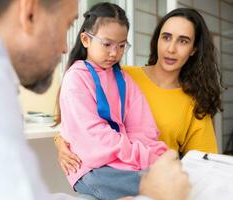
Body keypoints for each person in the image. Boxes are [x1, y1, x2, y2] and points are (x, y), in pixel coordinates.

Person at [0, 0, 190, 200]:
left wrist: (153, 158)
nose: (65, 49)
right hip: (97, 169)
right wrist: (147, 183)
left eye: (121, 46)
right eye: (66, 25)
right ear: (29, 12)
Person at [55, 7, 223, 176]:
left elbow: (204, 167)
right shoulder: (121, 76)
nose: (171, 48)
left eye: (183, 41)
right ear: (157, 40)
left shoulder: (195, 104)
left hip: (156, 182)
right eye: (166, 37)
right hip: (110, 175)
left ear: (194, 49)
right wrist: (61, 142)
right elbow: (80, 118)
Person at [58, 3, 167, 199]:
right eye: (107, 44)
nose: (114, 53)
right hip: (92, 168)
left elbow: (144, 127)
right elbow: (92, 137)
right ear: (85, 39)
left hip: (122, 162)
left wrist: (144, 156)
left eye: (122, 45)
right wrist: (140, 156)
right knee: (162, 184)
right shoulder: (76, 78)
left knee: (164, 172)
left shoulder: (124, 79)